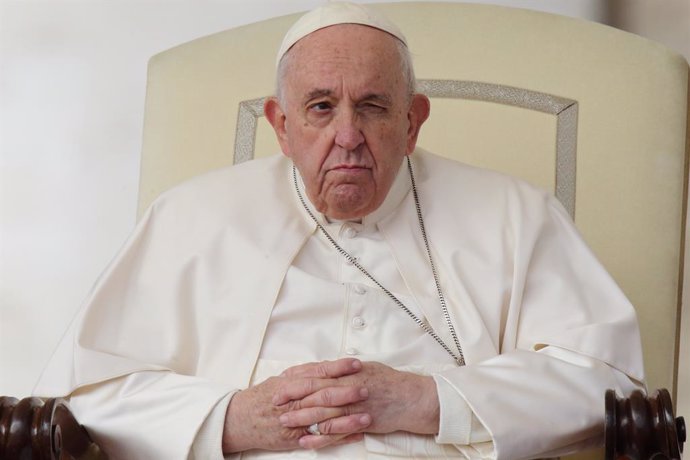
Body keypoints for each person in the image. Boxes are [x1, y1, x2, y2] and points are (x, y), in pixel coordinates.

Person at [34, 2, 644, 459]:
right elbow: (91, 391)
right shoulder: (190, 218)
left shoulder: (516, 214)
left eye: (374, 107)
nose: (347, 136)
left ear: (413, 121)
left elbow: (607, 383)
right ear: (280, 124)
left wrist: (429, 401)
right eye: (321, 107)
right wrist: (233, 418)